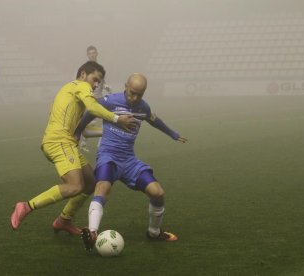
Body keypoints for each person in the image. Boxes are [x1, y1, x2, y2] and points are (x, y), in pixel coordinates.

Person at [10, 61, 136, 235]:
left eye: (99, 81)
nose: (96, 84)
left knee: (91, 182)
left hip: (65, 143)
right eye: (95, 79)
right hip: (58, 142)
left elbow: (83, 130)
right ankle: (26, 206)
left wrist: (109, 131)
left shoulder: (72, 92)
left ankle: (64, 220)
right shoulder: (80, 85)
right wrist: (116, 119)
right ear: (83, 74)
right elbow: (92, 107)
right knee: (75, 186)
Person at [77, 73, 187, 251]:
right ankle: (92, 232)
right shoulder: (110, 101)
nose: (135, 98)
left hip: (129, 160)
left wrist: (173, 134)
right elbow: (90, 111)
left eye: (139, 94)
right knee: (103, 187)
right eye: (132, 93)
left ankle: (154, 232)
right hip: (108, 156)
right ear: (125, 86)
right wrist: (78, 131)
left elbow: (154, 120)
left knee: (157, 193)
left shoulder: (143, 107)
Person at [79, 46, 112, 152]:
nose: (92, 55)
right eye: (90, 53)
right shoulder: (85, 69)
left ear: (97, 53)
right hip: (89, 99)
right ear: (87, 55)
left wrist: (106, 86)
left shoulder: (100, 67)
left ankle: (101, 144)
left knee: (107, 120)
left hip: (100, 98)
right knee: (88, 123)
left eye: (94, 53)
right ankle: (83, 142)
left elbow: (102, 80)